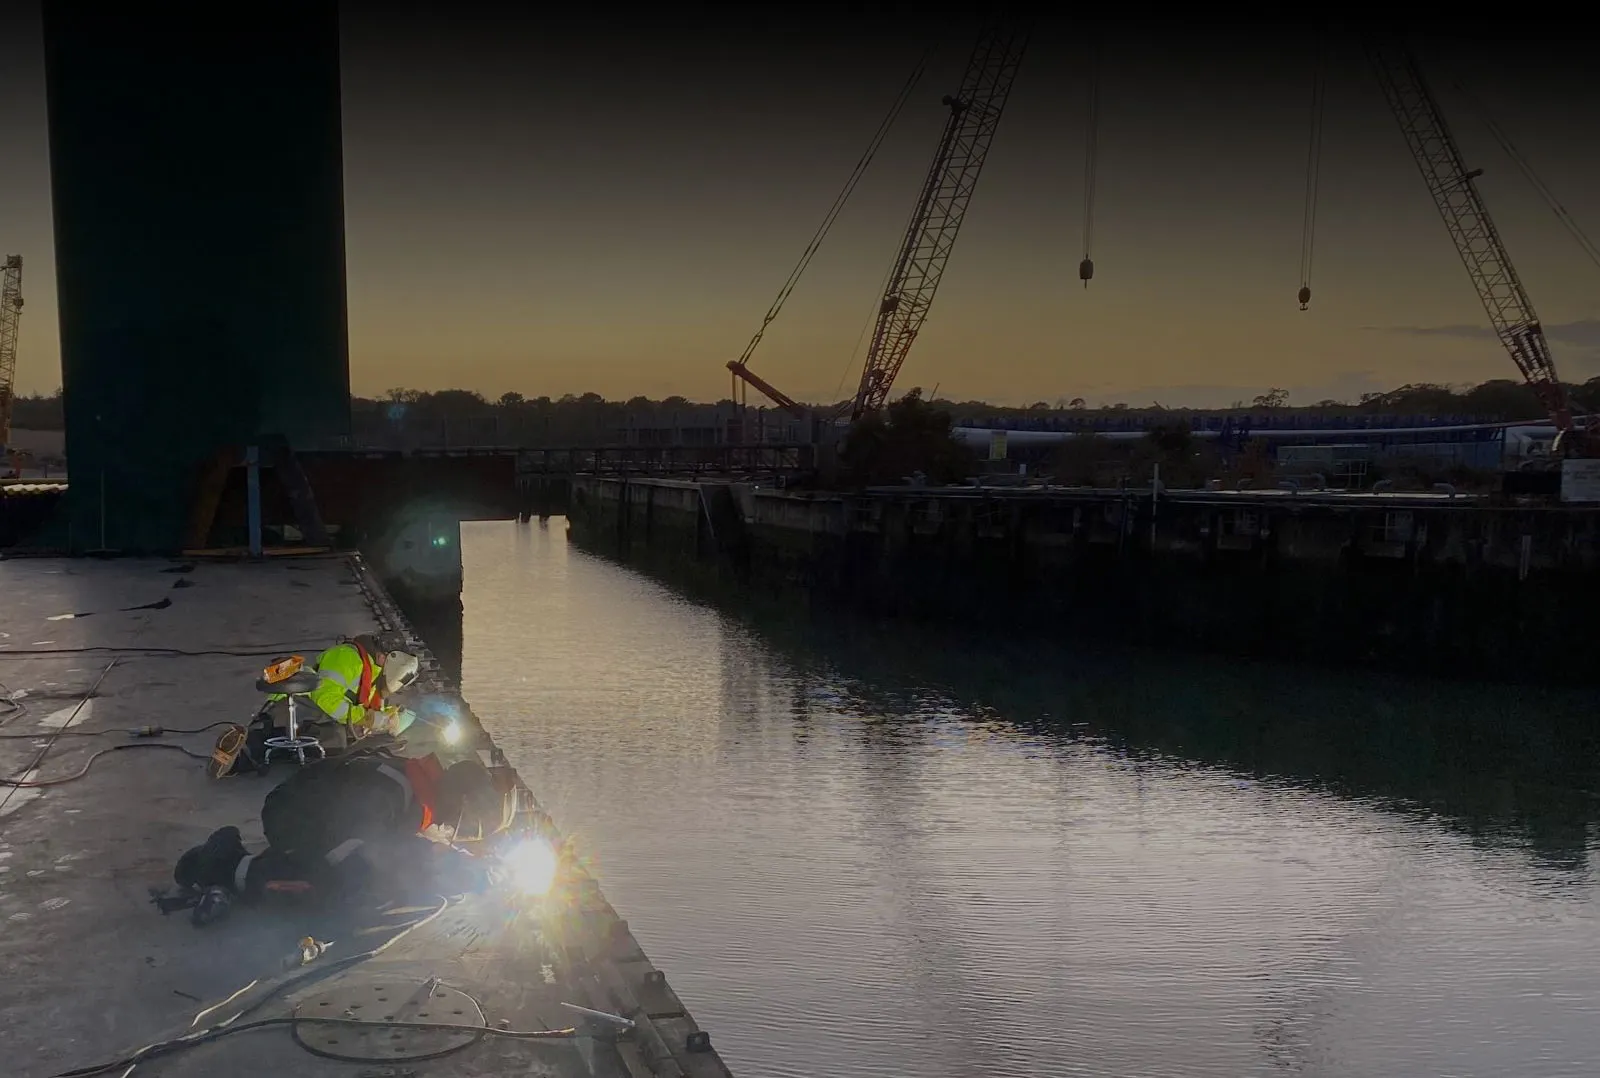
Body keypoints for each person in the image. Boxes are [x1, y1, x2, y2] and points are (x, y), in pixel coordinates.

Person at [174, 747, 517, 910]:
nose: (454, 831)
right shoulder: (391, 789)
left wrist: (456, 860)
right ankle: (226, 864)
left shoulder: (417, 792)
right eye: (465, 828)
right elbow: (360, 848)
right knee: (341, 884)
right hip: (292, 815)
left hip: (323, 814)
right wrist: (437, 863)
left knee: (379, 875)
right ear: (461, 802)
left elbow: (400, 838)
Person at [263, 632, 422, 745]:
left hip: (316, 715)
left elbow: (359, 703)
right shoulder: (346, 657)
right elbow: (325, 698)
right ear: (384, 656)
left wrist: (386, 715)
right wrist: (367, 718)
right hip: (294, 711)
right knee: (338, 738)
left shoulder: (374, 668)